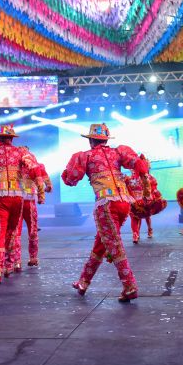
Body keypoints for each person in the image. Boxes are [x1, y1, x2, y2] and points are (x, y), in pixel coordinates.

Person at [62, 123, 149, 302]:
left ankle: (129, 285)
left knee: (114, 245)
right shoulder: (117, 153)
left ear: (91, 141)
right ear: (106, 139)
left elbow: (70, 179)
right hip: (124, 203)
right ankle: (83, 281)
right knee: (102, 243)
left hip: (106, 205)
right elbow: (139, 165)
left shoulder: (86, 156)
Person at [0, 125, 45, 283]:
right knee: (13, 232)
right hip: (17, 198)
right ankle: (9, 265)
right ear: (12, 139)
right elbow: (35, 170)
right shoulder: (21, 153)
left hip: (1, 198)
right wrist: (41, 191)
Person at [7, 153, 51, 270]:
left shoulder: (36, 166)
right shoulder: (15, 167)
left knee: (29, 231)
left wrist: (47, 188)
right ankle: (19, 260)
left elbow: (43, 178)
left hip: (27, 201)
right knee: (17, 232)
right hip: (19, 201)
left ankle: (29, 258)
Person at [128, 155, 165, 242]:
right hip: (133, 199)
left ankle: (149, 228)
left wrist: (152, 196)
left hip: (143, 199)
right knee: (134, 216)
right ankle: (135, 234)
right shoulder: (130, 178)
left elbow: (150, 189)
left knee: (145, 216)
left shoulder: (147, 177)